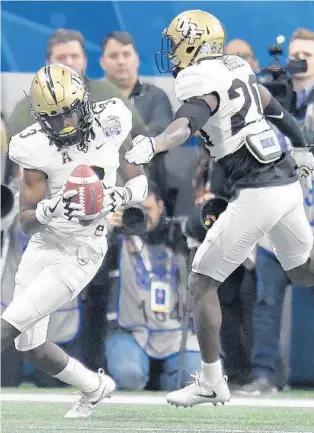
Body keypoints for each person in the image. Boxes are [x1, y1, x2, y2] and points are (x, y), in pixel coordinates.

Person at [125, 9, 314, 407]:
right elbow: (270, 105)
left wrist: (155, 144)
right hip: (285, 181)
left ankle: (212, 380)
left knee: (200, 282)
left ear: (193, 45)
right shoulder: (234, 65)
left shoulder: (199, 78)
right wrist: (301, 145)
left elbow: (188, 122)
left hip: (258, 190)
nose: (172, 51)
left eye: (176, 43)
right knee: (303, 273)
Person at [0, 63, 148, 417]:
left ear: (84, 101)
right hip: (45, 245)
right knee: (30, 346)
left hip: (82, 251)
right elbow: (25, 222)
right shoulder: (34, 147)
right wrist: (48, 211)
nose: (65, 125)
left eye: (69, 114)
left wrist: (118, 197)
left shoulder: (111, 120)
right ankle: (95, 386)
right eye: (54, 118)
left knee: (8, 324)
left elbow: (140, 183)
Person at [238, 28, 314, 395]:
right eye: (295, 56)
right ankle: (263, 375)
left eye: (308, 57)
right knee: (267, 302)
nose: (300, 63)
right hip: (275, 221)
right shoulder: (267, 105)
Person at [104, 183, 200, 391]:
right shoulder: (118, 238)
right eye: (136, 211)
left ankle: (166, 382)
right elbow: (93, 273)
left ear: (160, 206)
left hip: (176, 333)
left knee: (195, 379)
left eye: (147, 210)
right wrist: (106, 232)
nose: (142, 217)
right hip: (130, 332)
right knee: (129, 376)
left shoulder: (177, 235)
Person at [100, 30, 174, 207]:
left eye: (126, 54)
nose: (121, 61)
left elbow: (158, 135)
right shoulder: (93, 98)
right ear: (102, 62)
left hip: (150, 190)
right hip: (104, 192)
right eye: (113, 56)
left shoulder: (156, 97)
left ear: (136, 59)